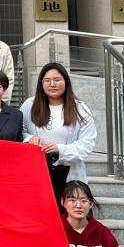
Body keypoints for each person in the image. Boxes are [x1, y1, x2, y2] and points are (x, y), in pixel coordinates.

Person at [21, 62, 98, 196]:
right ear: (41, 83)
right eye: (47, 80)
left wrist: (59, 149)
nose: (52, 84)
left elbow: (87, 143)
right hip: (37, 171)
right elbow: (19, 131)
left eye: (57, 80)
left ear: (66, 81)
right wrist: (29, 138)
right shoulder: (30, 104)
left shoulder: (80, 108)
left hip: (68, 173)